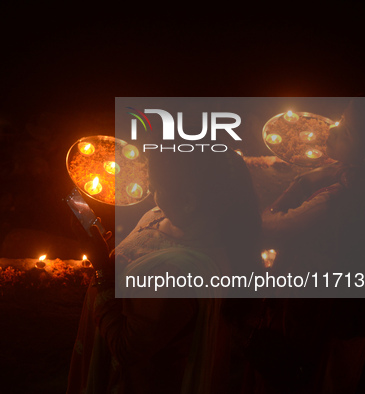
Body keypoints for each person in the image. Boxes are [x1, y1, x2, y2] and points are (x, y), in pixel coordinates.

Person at [67, 147, 262, 394]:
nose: (151, 194)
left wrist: (102, 270)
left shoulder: (180, 276)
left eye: (158, 187)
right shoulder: (157, 216)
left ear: (189, 202)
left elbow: (126, 348)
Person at [257, 98, 365, 392]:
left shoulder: (336, 198)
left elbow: (272, 229)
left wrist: (256, 211)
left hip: (316, 307)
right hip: (356, 310)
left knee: (303, 369)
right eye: (341, 120)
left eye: (348, 132)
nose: (332, 130)